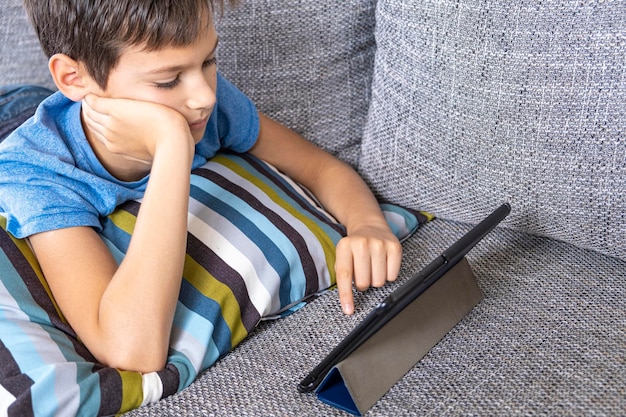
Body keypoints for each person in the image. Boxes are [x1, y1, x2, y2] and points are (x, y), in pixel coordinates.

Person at [0, 0, 401, 373]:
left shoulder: (207, 105)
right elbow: (130, 349)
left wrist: (368, 225)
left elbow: (319, 168)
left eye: (208, 60)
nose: (205, 96)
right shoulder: (36, 170)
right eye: (168, 79)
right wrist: (172, 144)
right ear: (73, 77)